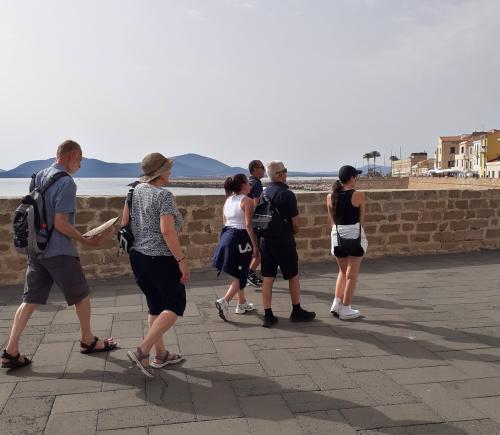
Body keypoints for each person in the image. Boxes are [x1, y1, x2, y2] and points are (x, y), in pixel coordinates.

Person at [1, 140, 117, 370]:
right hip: (59, 251)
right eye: (80, 159)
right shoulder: (66, 183)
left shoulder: (38, 176)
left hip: (37, 249)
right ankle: (88, 340)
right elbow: (61, 224)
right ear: (72, 155)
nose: (81, 165)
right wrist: (87, 240)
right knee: (81, 296)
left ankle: (10, 351)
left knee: (30, 300)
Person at [123, 153, 189, 377]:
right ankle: (142, 351)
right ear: (161, 172)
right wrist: (181, 261)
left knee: (155, 306)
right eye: (168, 169)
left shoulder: (134, 190)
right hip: (160, 259)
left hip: (138, 258)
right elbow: (167, 231)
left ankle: (161, 355)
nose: (170, 172)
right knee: (174, 305)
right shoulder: (164, 196)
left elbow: (125, 223)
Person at [258, 160, 316, 328]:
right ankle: (296, 310)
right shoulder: (287, 194)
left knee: (268, 278)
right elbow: (296, 223)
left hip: (266, 241)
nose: (286, 173)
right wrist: (292, 232)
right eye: (285, 170)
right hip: (284, 241)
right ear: (279, 174)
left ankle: (268, 314)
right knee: (292, 276)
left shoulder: (264, 193)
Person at [213, 174, 259, 321]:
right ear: (244, 185)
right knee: (242, 273)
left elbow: (225, 221)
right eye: (248, 182)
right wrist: (255, 246)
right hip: (240, 239)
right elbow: (248, 225)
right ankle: (224, 301)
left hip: (227, 236)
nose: (250, 185)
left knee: (239, 271)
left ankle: (241, 303)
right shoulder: (247, 201)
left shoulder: (228, 201)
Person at [326, 165, 368, 320]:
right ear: (351, 178)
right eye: (356, 176)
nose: (357, 178)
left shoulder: (330, 196)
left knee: (342, 272)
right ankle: (346, 308)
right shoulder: (358, 195)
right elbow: (361, 220)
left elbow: (332, 220)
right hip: (354, 236)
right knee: (352, 275)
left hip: (337, 237)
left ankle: (336, 304)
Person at [247, 160, 266, 287]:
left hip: (242, 221)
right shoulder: (257, 184)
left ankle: (249, 275)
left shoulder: (248, 182)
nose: (264, 170)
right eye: (262, 167)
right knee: (258, 252)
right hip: (252, 223)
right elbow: (257, 205)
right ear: (255, 169)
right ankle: (249, 274)